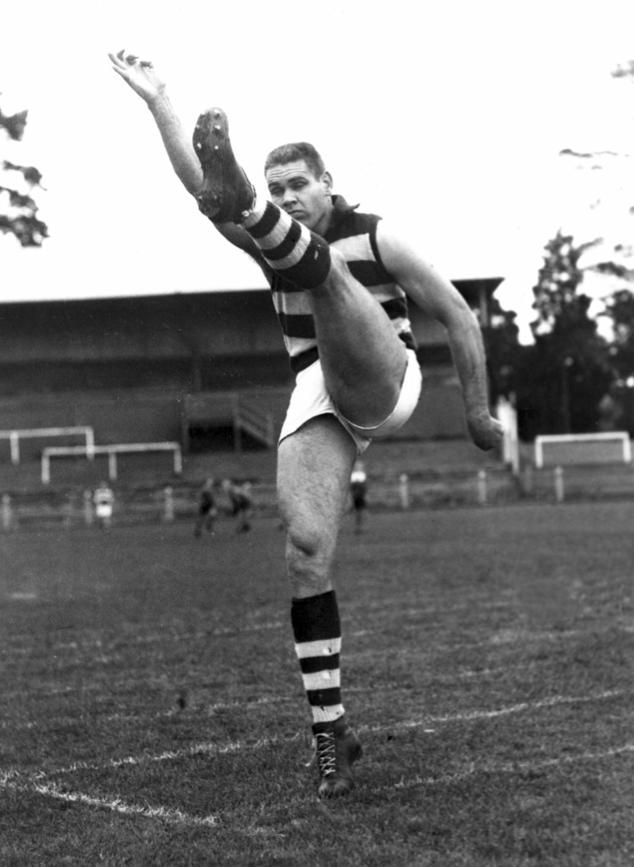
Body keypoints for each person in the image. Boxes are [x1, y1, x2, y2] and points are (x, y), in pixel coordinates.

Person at [108, 50, 503, 798]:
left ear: (329, 183)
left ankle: (256, 212)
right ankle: (332, 736)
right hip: (320, 392)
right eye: (278, 188)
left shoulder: (381, 234)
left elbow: (456, 313)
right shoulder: (277, 232)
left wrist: (478, 410)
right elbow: (203, 189)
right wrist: (160, 101)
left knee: (323, 270)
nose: (292, 194)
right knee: (306, 549)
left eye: (298, 185)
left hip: (388, 374)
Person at [349, 459, 368, 534]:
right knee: (358, 512)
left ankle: (360, 527)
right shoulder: (355, 475)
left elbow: (363, 487)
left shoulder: (361, 475)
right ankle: (358, 527)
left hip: (359, 496)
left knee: (360, 512)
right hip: (356, 496)